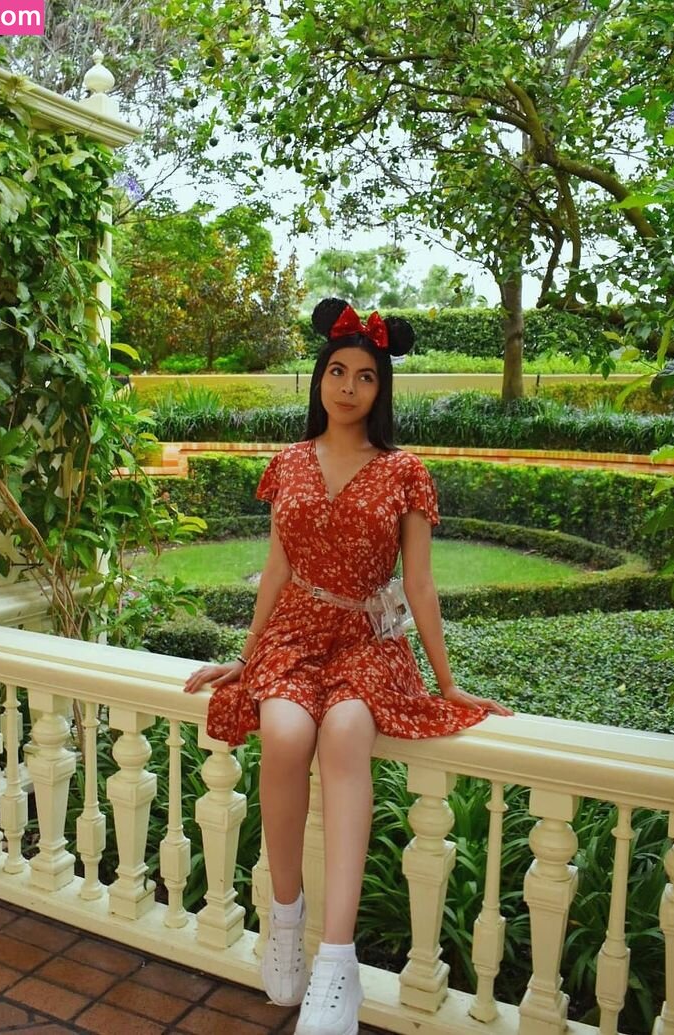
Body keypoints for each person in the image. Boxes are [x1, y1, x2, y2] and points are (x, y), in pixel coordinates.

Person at [184, 297, 513, 1035]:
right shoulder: (289, 464)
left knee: (343, 734)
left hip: (368, 639)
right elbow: (276, 569)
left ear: (380, 389)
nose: (348, 387)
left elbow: (419, 585)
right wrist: (246, 656)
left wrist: (448, 683)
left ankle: (336, 961)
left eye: (366, 376)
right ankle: (285, 918)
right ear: (319, 378)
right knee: (283, 731)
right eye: (337, 371)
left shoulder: (404, 471)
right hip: (296, 632)